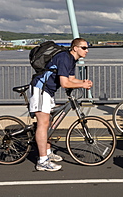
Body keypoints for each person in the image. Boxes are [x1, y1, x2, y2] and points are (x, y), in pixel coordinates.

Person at [29, 38, 93, 171]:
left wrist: (83, 82)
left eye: (87, 48)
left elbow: (71, 79)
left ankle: (47, 153)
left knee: (50, 123)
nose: (87, 50)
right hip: (41, 89)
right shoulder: (64, 58)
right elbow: (64, 83)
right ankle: (42, 161)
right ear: (75, 48)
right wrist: (82, 85)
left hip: (48, 91)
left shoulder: (71, 60)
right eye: (84, 48)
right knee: (43, 123)